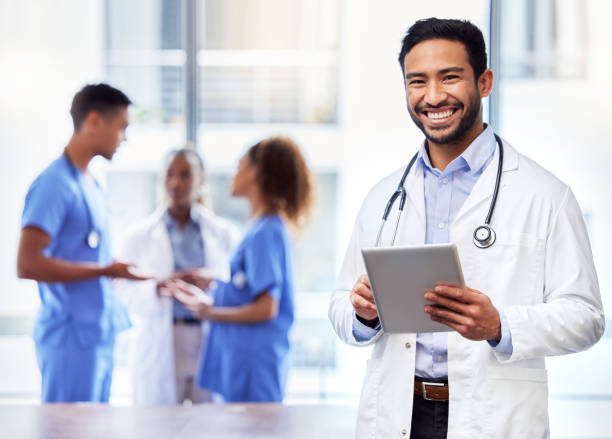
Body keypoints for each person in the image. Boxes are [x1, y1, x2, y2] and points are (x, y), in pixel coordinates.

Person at [328, 18, 604, 439]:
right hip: (399, 413)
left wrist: (500, 325)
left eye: (450, 77)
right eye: (417, 81)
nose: (433, 96)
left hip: (491, 417)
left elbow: (586, 317)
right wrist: (362, 314)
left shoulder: (546, 195)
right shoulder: (383, 197)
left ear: (485, 82)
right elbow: (339, 304)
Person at [17, 83, 150, 403]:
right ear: (93, 122)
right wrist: (106, 269)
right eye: (121, 127)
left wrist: (119, 270)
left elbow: (87, 255)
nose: (125, 138)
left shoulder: (90, 183)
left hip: (96, 336)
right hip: (69, 339)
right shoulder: (54, 184)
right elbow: (28, 263)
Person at [171, 136, 314, 402]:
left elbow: (266, 307)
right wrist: (215, 281)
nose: (233, 174)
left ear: (256, 172)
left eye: (239, 165)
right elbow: (249, 285)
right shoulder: (262, 227)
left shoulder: (266, 231)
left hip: (253, 368)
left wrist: (210, 312)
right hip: (249, 364)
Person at [115, 148, 237, 405]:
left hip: (205, 338)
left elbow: (236, 286)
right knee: (160, 428)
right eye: (169, 175)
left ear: (201, 182)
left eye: (185, 175)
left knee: (208, 427)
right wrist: (157, 288)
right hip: (160, 338)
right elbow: (122, 291)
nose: (176, 183)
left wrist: (211, 279)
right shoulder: (139, 235)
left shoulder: (223, 233)